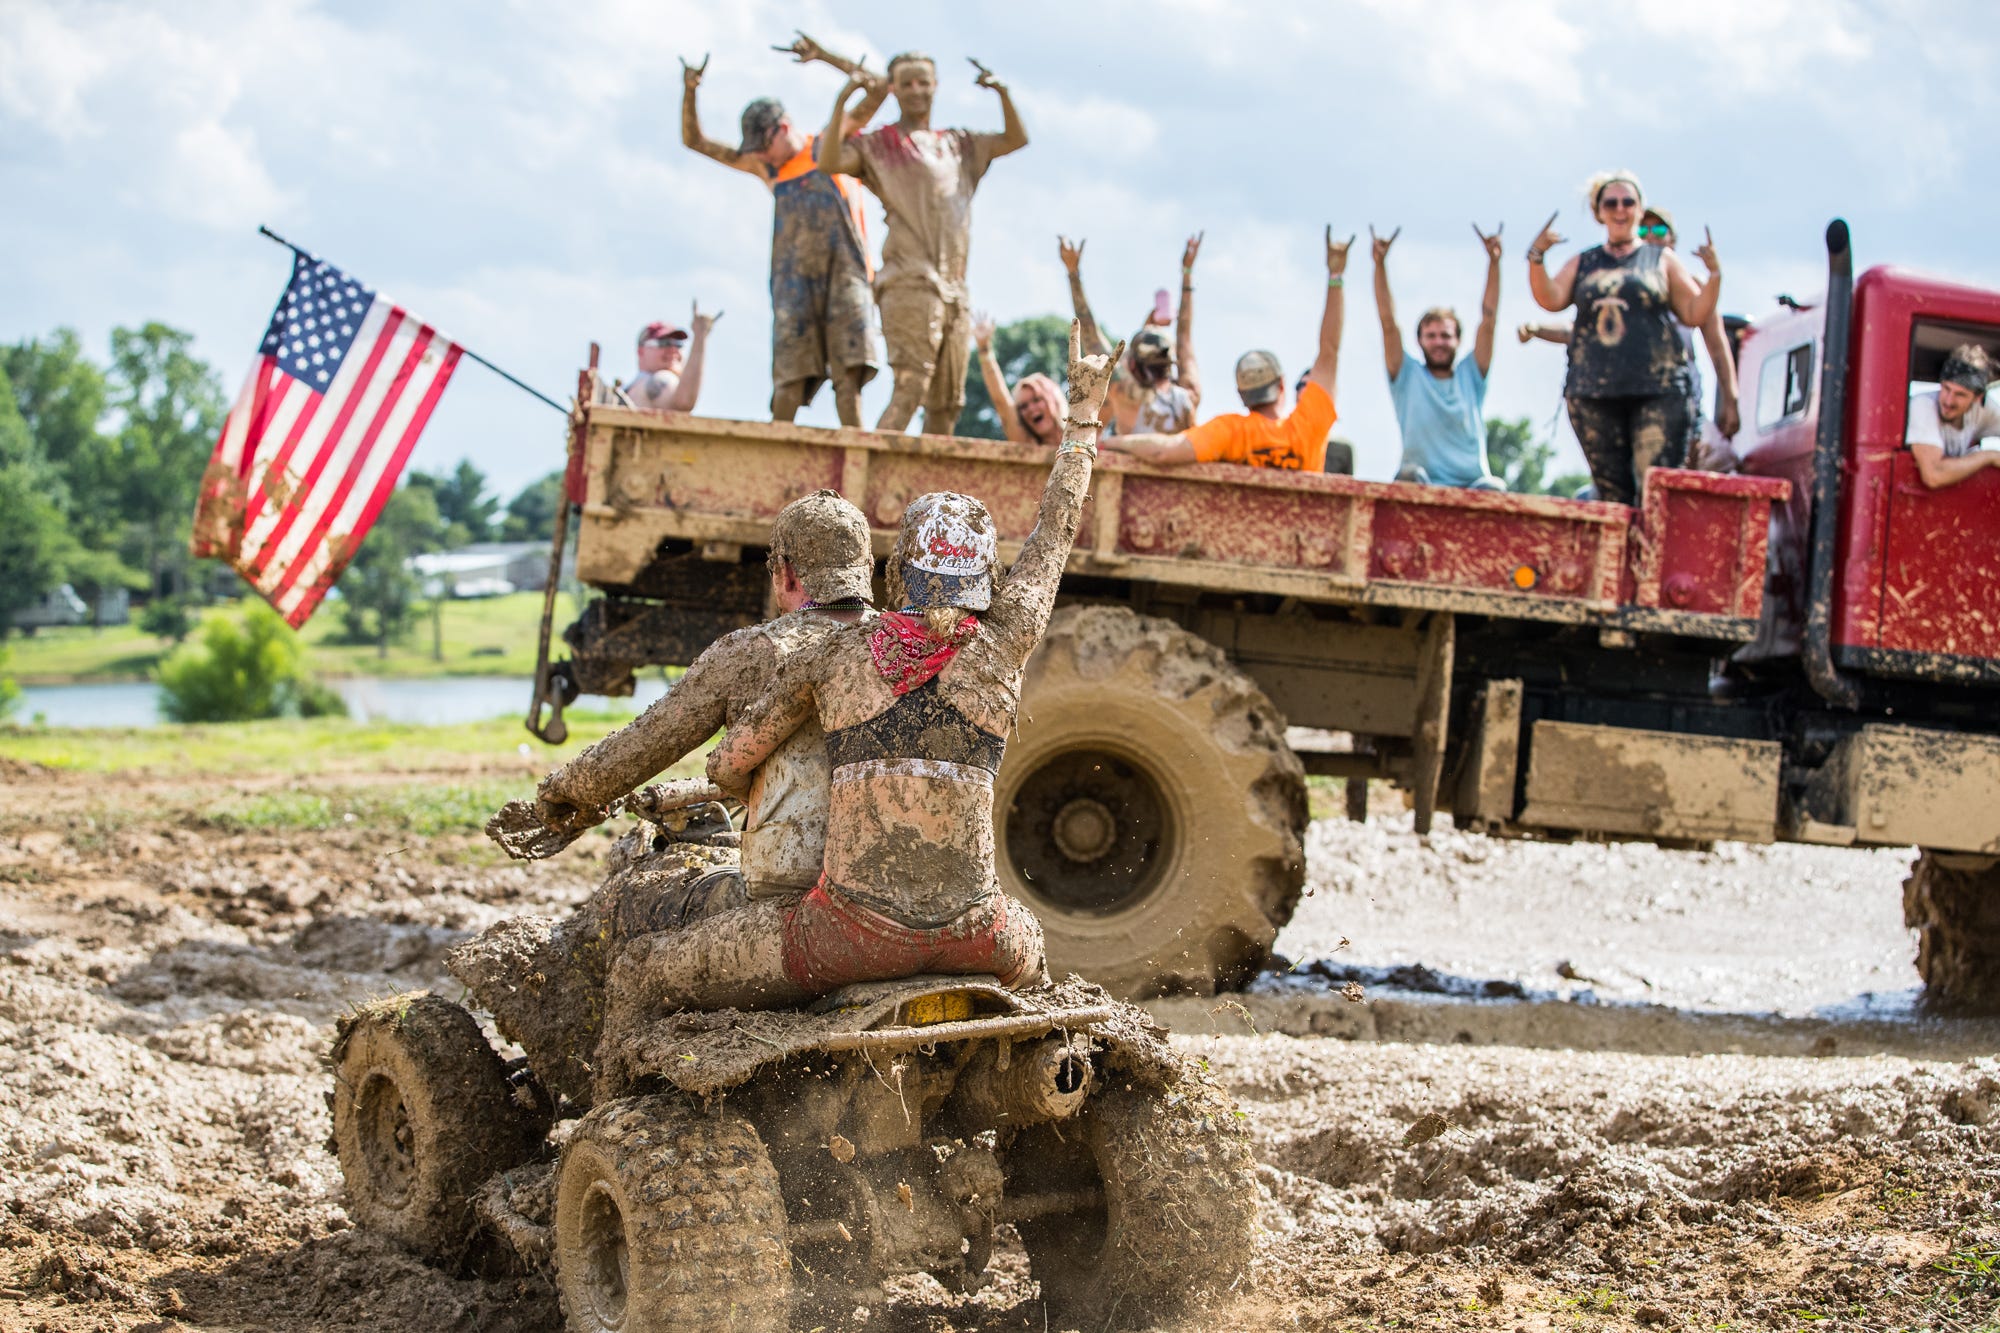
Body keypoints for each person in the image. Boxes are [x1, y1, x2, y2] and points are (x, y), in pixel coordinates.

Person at [598, 323, 1119, 1018]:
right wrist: (1082, 418)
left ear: (896, 571)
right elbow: (1056, 532)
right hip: (985, 939)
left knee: (642, 968)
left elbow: (729, 767)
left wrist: (718, 781)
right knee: (1036, 955)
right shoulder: (1004, 647)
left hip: (843, 938)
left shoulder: (833, 655)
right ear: (988, 580)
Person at [475, 491, 877, 1102]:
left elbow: (638, 747)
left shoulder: (753, 653)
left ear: (786, 572)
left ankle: (608, 1118)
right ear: (865, 571)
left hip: (795, 905)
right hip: (895, 896)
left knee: (635, 913)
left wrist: (561, 797)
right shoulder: (910, 651)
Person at [816, 52, 1029, 436]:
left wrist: (1003, 93)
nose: (916, 90)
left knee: (948, 403)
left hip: (955, 286)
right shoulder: (881, 143)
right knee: (911, 385)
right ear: (894, 89)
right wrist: (840, 105)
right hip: (909, 278)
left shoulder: (958, 145)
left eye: (923, 82)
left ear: (936, 85)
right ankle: (868, 483)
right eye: (907, 83)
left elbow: (1016, 139)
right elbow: (829, 161)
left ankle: (929, 494)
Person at [680, 43, 886, 426]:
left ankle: (856, 454)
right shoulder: (768, 171)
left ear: (784, 128)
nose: (759, 155)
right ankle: (777, 444)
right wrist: (690, 90)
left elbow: (878, 88)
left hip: (847, 277)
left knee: (848, 375)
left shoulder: (827, 146)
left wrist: (825, 56)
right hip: (794, 286)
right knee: (790, 377)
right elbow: (696, 142)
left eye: (763, 146)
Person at [1526, 170, 1722, 505]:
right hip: (1594, 393)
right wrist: (1537, 258)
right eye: (1611, 202)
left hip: (1658, 391)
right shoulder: (1585, 261)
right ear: (1598, 211)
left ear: (1639, 208)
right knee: (1613, 495)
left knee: (1654, 491)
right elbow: (1551, 298)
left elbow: (1693, 311)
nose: (1620, 209)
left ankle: (1652, 557)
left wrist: (1715, 275)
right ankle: (1621, 556)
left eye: (1628, 202)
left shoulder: (1660, 259)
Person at [1101, 227, 1349, 471]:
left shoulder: (1229, 432)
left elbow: (1163, 450)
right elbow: (1330, 350)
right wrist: (1335, 276)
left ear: (1242, 395)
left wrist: (1109, 442)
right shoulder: (1308, 426)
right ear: (1282, 386)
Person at [1517, 205, 1743, 454]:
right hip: (1624, 396)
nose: (1650, 235)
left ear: (1673, 239)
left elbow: (1717, 345)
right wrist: (1538, 329)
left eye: (1659, 228)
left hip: (1680, 399)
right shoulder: (1618, 288)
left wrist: (1730, 400)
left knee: (1690, 467)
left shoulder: (1692, 286)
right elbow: (1580, 332)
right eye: (1643, 228)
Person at [1371, 222, 1505, 490]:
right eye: (1431, 336)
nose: (1438, 342)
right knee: (1408, 475)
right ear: (1419, 340)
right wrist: (1380, 264)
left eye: (1445, 335)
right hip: (1422, 482)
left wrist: (1494, 262)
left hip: (1471, 484)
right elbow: (1388, 322)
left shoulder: (1471, 375)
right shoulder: (1407, 375)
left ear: (1457, 340)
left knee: (1495, 488)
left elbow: (1488, 320)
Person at [1060, 232, 1205, 436]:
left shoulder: (1123, 391)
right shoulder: (1188, 396)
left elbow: (1089, 332)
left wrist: (1073, 273)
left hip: (1128, 467)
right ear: (1171, 361)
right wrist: (1187, 273)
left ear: (1133, 364)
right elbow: (1184, 340)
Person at [1907, 344, 2000, 489]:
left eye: (1960, 394)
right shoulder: (1923, 405)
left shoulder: (1982, 410)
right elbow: (1933, 475)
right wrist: (1989, 456)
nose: (1948, 401)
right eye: (1946, 388)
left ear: (1977, 398)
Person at [971, 311, 1065, 446]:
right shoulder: (1026, 443)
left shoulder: (1084, 437)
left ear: (1054, 399)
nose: (1031, 409)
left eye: (1037, 399)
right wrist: (984, 349)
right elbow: (1001, 402)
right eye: (1023, 406)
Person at [624, 307, 720, 413]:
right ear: (641, 351)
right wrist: (700, 336)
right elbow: (684, 401)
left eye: (678, 345)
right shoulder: (658, 379)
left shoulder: (630, 389)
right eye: (664, 343)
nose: (673, 350)